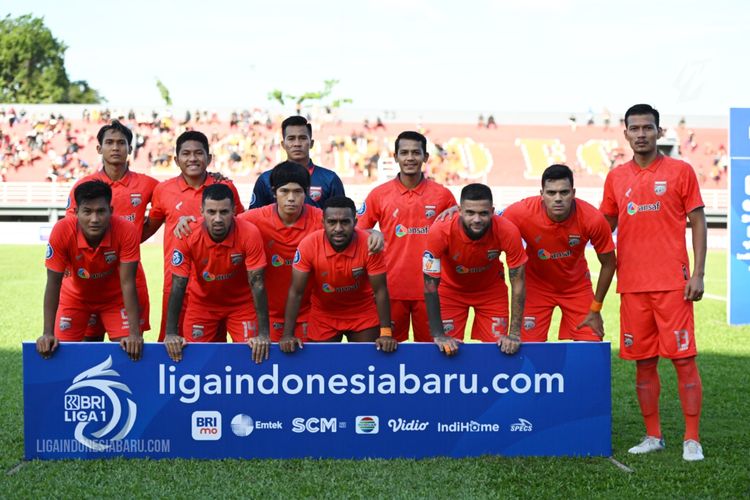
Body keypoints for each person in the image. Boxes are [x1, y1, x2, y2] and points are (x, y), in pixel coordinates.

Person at [600, 103, 707, 461]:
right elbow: (604, 227)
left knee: (683, 360)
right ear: (625, 132)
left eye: (648, 127)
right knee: (643, 362)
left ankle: (691, 438)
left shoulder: (680, 171)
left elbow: (698, 222)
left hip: (673, 286)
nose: (641, 134)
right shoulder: (616, 177)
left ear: (659, 132)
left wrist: (698, 273)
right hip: (632, 286)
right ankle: (653, 435)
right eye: (635, 128)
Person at [142, 131, 244, 341]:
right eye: (186, 153)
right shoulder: (163, 190)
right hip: (177, 281)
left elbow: (242, 226)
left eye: (198, 153)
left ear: (209, 158)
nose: (192, 158)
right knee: (171, 343)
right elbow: (146, 230)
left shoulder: (224, 187)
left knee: (214, 349)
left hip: (215, 283)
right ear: (176, 159)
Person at [357, 131, 456, 341]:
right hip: (390, 289)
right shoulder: (379, 194)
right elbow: (357, 231)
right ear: (395, 157)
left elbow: (457, 233)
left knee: (432, 355)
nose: (410, 158)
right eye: (404, 153)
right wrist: (372, 232)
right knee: (388, 353)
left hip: (431, 290)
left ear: (425, 157)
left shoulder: (442, 195)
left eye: (415, 153)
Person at [501, 164, 616, 342]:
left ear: (574, 193)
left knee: (591, 345)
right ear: (541, 194)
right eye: (551, 193)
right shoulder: (521, 212)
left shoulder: (592, 219)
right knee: (527, 349)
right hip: (536, 287)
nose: (558, 198)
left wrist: (596, 308)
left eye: (564, 192)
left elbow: (609, 264)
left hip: (576, 288)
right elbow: (488, 225)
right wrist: (455, 214)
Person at [66, 120, 158, 341]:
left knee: (131, 347)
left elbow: (169, 205)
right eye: (109, 142)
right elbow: (71, 228)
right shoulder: (84, 186)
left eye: (121, 143)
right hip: (91, 278)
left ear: (130, 149)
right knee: (90, 345)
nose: (115, 147)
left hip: (129, 273)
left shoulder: (148, 184)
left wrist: (136, 237)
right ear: (99, 148)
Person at [36, 181, 143, 360]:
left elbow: (128, 283)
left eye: (100, 211)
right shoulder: (62, 230)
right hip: (74, 298)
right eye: (87, 211)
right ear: (76, 212)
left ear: (111, 210)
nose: (94, 219)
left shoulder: (126, 230)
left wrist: (134, 333)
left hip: (114, 299)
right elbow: (53, 283)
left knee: (130, 352)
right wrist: (47, 332)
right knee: (58, 352)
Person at [163, 184, 270, 364]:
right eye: (211, 212)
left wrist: (264, 334)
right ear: (201, 211)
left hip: (241, 305)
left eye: (224, 212)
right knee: (196, 360)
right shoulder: (187, 233)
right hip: (202, 304)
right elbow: (178, 284)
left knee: (252, 356)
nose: (218, 219)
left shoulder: (249, 233)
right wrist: (171, 333)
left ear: (234, 211)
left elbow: (257, 283)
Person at [279, 196, 397, 353]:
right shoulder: (309, 245)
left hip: (362, 313)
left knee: (367, 365)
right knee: (321, 370)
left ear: (355, 222)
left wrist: (386, 333)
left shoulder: (369, 245)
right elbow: (296, 291)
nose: (338, 228)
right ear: (323, 223)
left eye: (345, 222)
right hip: (324, 314)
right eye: (332, 222)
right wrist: (287, 334)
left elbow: (380, 290)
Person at [422, 183, 527, 356]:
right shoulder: (440, 230)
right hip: (450, 292)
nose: (477, 219)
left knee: (499, 352)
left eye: (483, 213)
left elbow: (518, 282)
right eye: (470, 213)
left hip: (491, 292)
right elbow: (429, 285)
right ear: (459, 210)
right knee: (446, 352)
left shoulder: (507, 231)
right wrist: (438, 334)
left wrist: (514, 334)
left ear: (492, 211)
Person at [248, 115, 344, 209]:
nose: (297, 144)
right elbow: (253, 220)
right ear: (283, 144)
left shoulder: (330, 179)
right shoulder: (265, 180)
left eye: (302, 138)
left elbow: (340, 217)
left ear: (311, 143)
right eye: (291, 139)